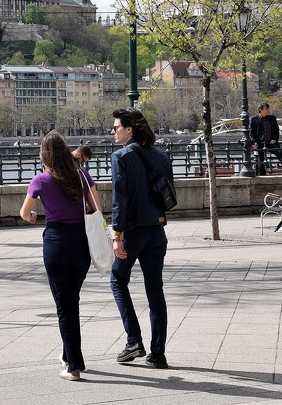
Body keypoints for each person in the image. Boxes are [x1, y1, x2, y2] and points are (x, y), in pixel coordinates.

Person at [20, 130, 101, 381]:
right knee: (71, 300)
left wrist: (33, 217)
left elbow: (25, 213)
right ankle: (68, 355)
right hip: (81, 243)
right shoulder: (83, 176)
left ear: (44, 155)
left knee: (65, 306)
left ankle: (74, 365)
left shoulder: (40, 180)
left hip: (56, 243)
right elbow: (97, 209)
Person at [108, 107, 172, 370]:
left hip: (133, 231)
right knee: (155, 290)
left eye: (116, 127)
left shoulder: (121, 157)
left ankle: (134, 339)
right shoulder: (161, 156)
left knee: (117, 281)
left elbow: (119, 200)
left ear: (129, 129)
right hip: (157, 230)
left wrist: (117, 235)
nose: (113, 131)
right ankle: (158, 353)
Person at [249, 103, 282, 175]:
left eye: (268, 108)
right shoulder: (253, 119)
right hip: (260, 143)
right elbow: (251, 132)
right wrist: (254, 142)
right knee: (260, 161)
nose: (268, 110)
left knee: (281, 153)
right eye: (266, 109)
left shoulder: (272, 118)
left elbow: (277, 130)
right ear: (260, 110)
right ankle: (262, 175)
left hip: (271, 142)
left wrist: (275, 139)